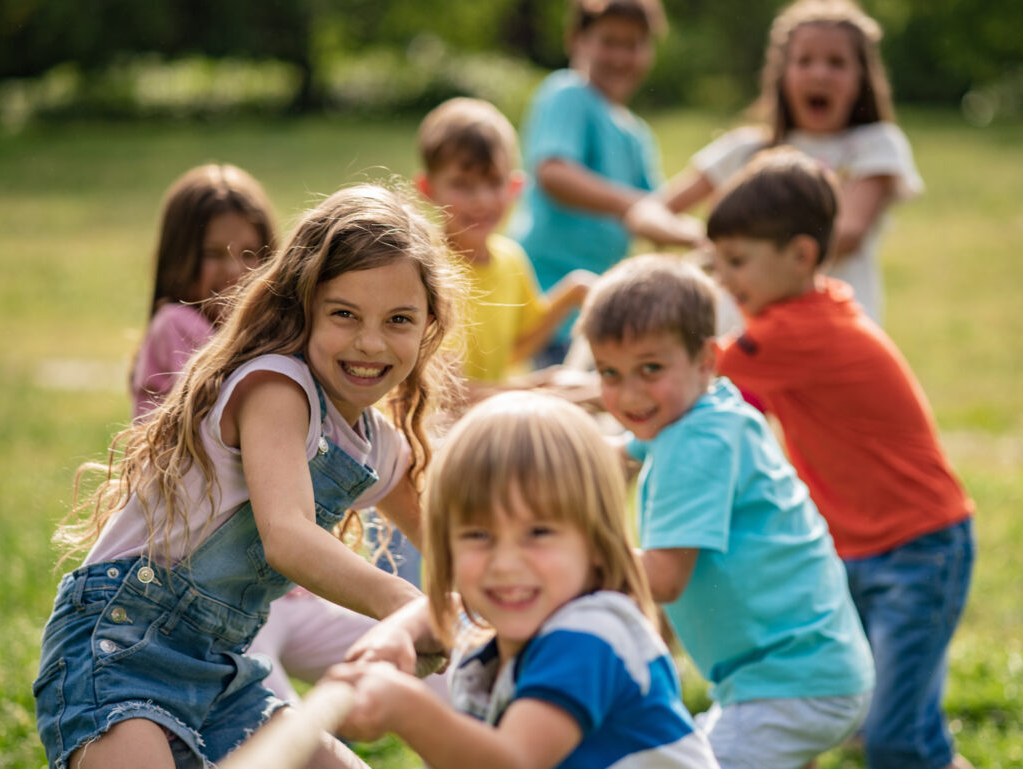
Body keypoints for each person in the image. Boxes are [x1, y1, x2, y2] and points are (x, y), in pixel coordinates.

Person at [33, 183, 462, 769]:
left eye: (399, 320)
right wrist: (403, 601)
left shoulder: (377, 445)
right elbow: (286, 537)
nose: (370, 342)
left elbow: (455, 538)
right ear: (301, 307)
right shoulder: (276, 388)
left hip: (220, 667)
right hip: (120, 647)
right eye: (344, 314)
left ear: (430, 325)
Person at [708, 147, 975, 769]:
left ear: (801, 255)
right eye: (717, 261)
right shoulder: (804, 312)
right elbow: (719, 400)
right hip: (856, 547)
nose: (723, 279)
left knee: (894, 738)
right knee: (877, 720)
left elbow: (681, 379)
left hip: (918, 552)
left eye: (738, 261)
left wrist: (572, 391)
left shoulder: (794, 333)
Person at [577, 253, 875, 769]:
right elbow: (612, 455)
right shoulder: (705, 413)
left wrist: (568, 560)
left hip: (788, 685)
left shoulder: (696, 443)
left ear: (705, 361)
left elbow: (666, 578)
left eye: (651, 368)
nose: (628, 394)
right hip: (806, 669)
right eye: (610, 372)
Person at [328, 391, 720, 769]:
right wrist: (395, 635)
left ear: (597, 545)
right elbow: (447, 609)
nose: (505, 564)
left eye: (538, 534)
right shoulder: (521, 610)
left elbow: (513, 761)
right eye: (479, 536)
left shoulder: (589, 636)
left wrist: (404, 707)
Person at [643, 0, 921, 325]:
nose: (820, 73)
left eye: (836, 62)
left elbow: (847, 233)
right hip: (739, 331)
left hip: (830, 330)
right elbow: (648, 212)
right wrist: (700, 239)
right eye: (805, 61)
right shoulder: (747, 148)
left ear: (862, 76)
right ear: (781, 72)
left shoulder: (874, 145)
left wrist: (733, 247)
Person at [508, 0, 702, 364]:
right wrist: (633, 206)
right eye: (608, 41)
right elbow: (554, 174)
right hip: (552, 297)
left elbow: (655, 210)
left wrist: (705, 222)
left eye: (633, 45)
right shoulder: (568, 94)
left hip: (598, 304)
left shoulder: (635, 133)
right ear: (576, 40)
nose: (620, 56)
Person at [416, 96, 595, 389]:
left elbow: (515, 349)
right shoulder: (425, 268)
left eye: (494, 182)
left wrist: (572, 293)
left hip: (484, 421)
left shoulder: (511, 258)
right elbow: (446, 395)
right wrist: (535, 387)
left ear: (515, 187)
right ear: (427, 189)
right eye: (462, 184)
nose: (481, 200)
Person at [131, 163, 276, 418]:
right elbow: (223, 414)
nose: (234, 270)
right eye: (213, 253)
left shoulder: (263, 329)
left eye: (249, 253)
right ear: (177, 258)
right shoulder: (175, 324)